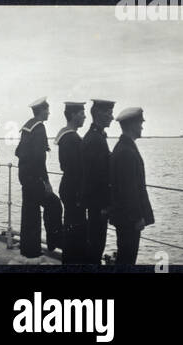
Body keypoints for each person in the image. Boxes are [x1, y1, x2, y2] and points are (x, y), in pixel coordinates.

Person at [14, 97, 64, 264]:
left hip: (24, 177)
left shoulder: (27, 127)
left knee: (30, 214)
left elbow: (18, 152)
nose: (49, 113)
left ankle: (29, 251)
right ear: (41, 111)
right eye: (47, 110)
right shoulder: (39, 128)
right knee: (54, 204)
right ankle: (54, 241)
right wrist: (46, 182)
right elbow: (39, 158)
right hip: (35, 179)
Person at [108, 107, 153, 266]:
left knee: (125, 256)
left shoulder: (123, 147)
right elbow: (129, 190)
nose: (142, 126)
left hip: (124, 216)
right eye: (140, 123)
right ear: (132, 124)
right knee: (127, 258)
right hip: (128, 219)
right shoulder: (126, 151)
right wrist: (137, 217)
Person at [82, 99, 114, 264]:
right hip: (98, 204)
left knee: (94, 243)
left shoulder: (95, 136)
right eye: (109, 113)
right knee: (96, 244)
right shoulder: (96, 140)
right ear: (99, 114)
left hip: (94, 202)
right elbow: (98, 177)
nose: (112, 117)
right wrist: (105, 205)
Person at [57, 101, 89, 264]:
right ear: (73, 115)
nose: (84, 116)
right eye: (82, 113)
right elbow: (75, 168)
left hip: (69, 186)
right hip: (74, 189)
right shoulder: (71, 138)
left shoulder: (68, 136)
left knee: (72, 227)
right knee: (76, 231)